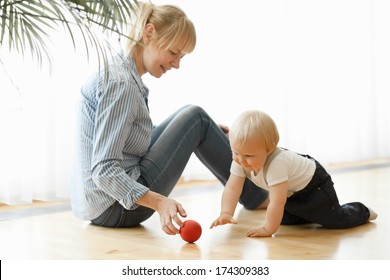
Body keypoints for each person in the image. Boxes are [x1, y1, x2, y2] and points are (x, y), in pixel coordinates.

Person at [70, 2, 268, 236]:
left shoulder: (120, 73)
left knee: (195, 118)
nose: (176, 64)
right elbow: (103, 170)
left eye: (181, 57)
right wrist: (160, 203)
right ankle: (259, 196)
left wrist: (201, 131)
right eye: (173, 53)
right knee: (195, 118)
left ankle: (254, 188)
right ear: (149, 33)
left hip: (100, 206)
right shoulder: (121, 85)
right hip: (117, 207)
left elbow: (130, 140)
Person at [210, 110, 377, 237]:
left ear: (269, 149)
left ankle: (362, 211)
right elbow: (232, 188)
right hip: (293, 192)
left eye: (248, 156)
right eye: (236, 152)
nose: (241, 160)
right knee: (283, 220)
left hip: (315, 186)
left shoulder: (277, 164)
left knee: (334, 220)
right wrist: (226, 213)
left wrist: (268, 229)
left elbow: (277, 201)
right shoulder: (240, 159)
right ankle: (313, 213)